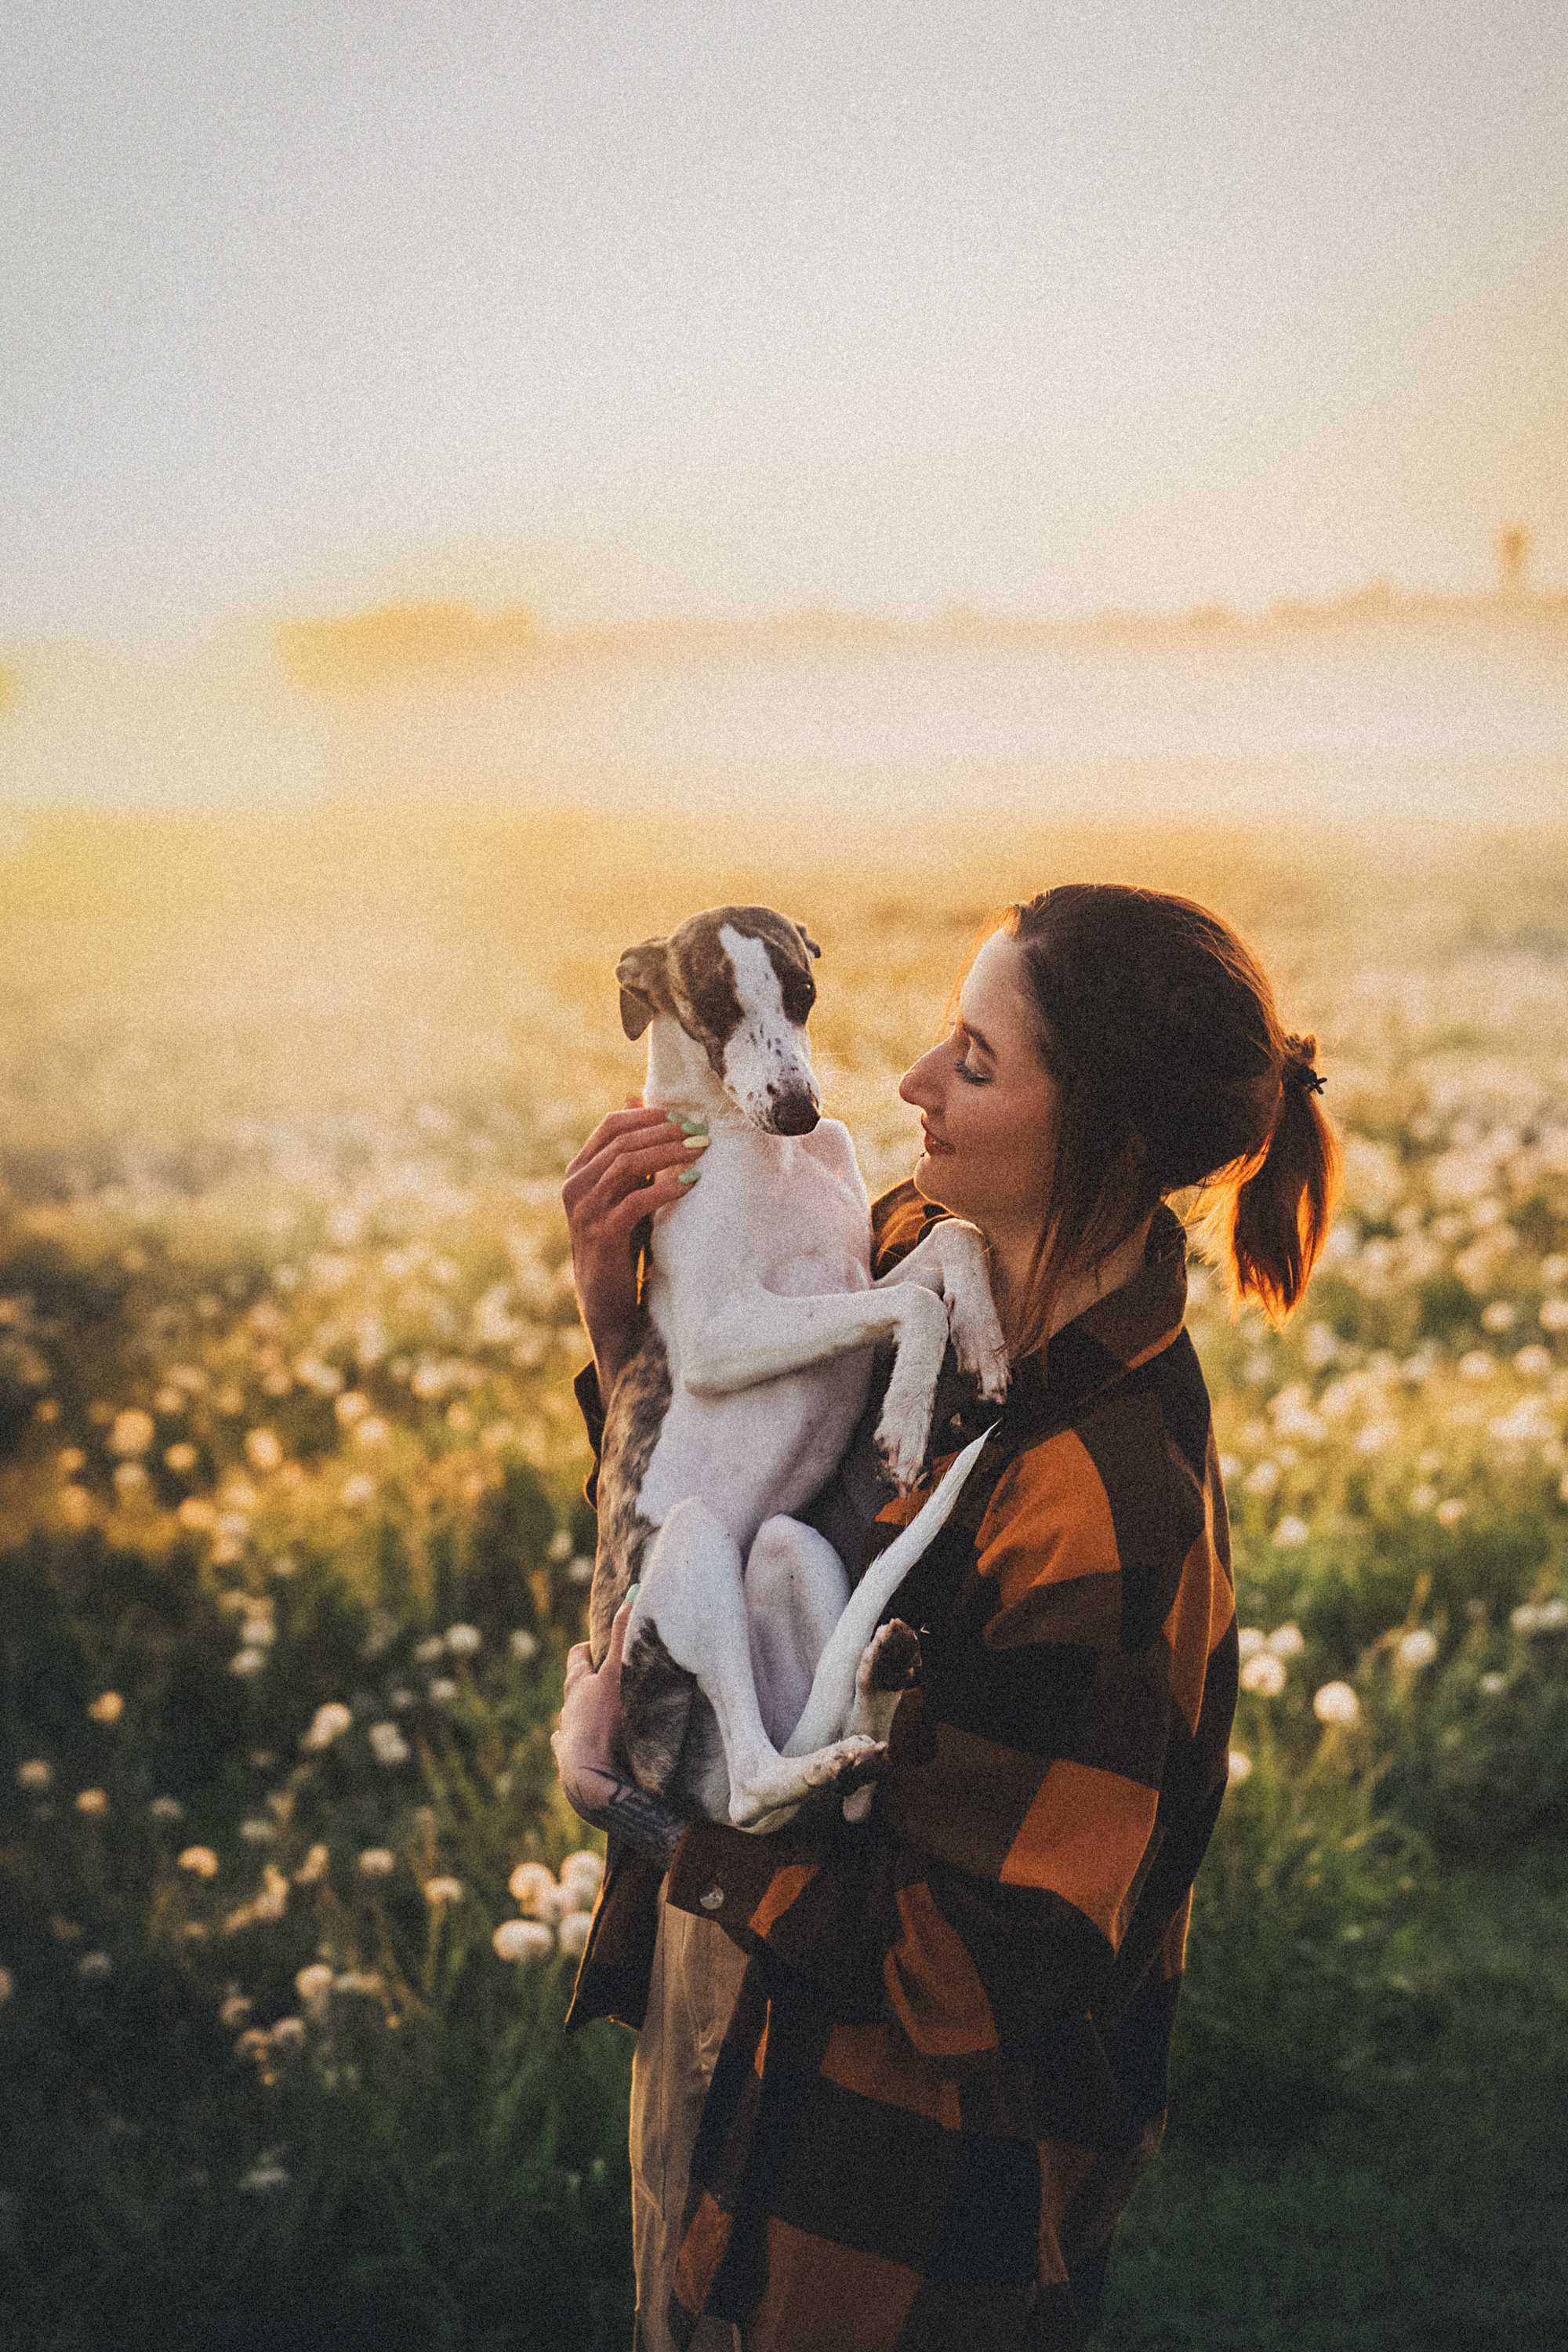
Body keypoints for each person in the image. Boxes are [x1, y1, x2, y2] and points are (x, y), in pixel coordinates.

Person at [554, 884, 1340, 2352]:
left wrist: (644, 1822)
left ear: (1097, 1130)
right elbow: (736, 1498)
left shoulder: (1108, 1504)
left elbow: (961, 1967)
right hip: (739, 2066)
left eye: (974, 1060)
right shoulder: (918, 1238)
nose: (909, 1079)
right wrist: (625, 1334)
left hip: (897, 2198)